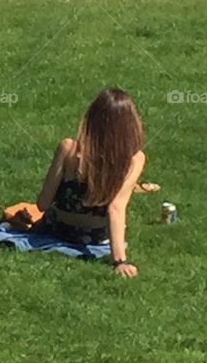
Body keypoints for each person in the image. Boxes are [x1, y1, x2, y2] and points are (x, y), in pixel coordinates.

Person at [17, 88, 151, 278]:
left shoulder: (68, 148)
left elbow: (43, 204)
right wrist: (120, 261)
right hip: (97, 238)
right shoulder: (134, 160)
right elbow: (116, 208)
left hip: (57, 231)